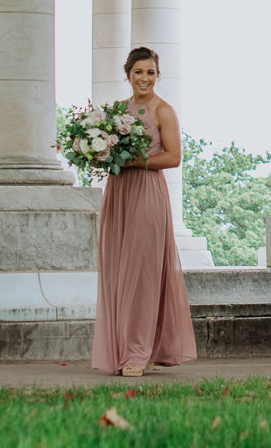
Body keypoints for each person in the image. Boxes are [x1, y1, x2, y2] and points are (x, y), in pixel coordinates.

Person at [90, 46, 197, 377]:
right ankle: (124, 348)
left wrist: (137, 161)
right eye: (138, 72)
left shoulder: (164, 111)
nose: (145, 78)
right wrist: (96, 154)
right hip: (119, 193)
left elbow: (174, 157)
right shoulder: (116, 111)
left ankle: (138, 352)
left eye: (150, 72)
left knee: (142, 274)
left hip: (148, 193)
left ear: (157, 76)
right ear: (128, 75)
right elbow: (104, 152)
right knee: (118, 271)